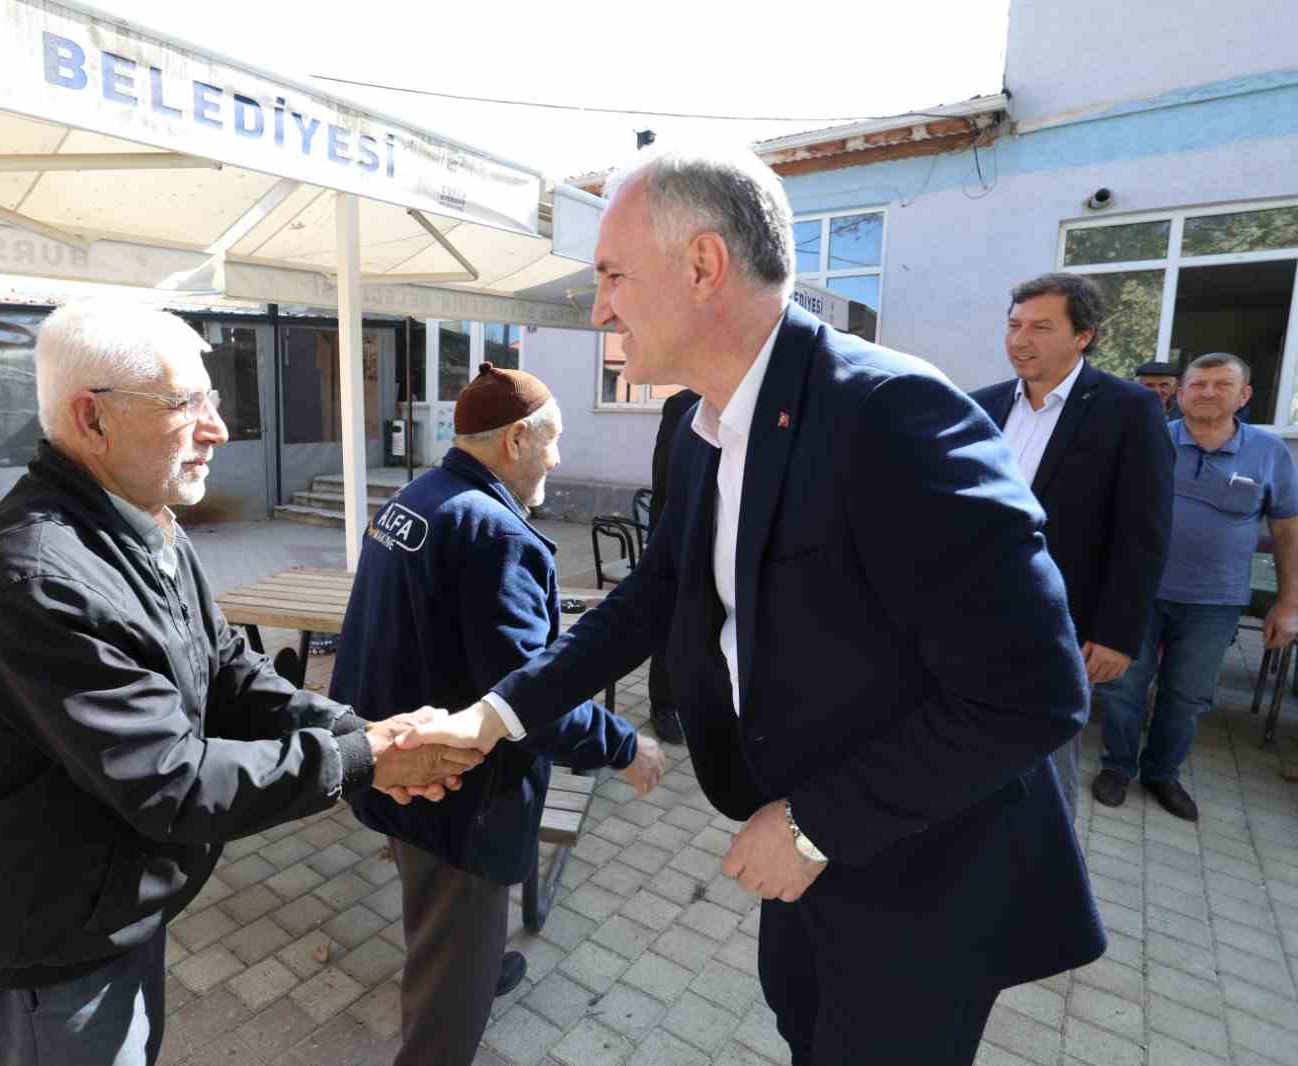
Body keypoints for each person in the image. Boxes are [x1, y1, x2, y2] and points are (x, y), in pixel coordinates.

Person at [399, 147, 1105, 1065]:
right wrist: (495, 716)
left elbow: (1035, 695)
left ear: (702, 265)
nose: (599, 305)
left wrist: (818, 825)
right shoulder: (702, 423)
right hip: (802, 847)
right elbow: (657, 593)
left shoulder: (891, 415)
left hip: (925, 873)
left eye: (613, 274)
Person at [0, 302, 481, 1066]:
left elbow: (229, 675)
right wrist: (366, 758)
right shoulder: (40, 579)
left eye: (212, 398)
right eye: (184, 404)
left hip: (111, 904)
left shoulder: (142, 522)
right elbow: (172, 781)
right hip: (48, 935)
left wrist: (355, 730)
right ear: (91, 419)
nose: (216, 428)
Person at [329, 363, 663, 1066]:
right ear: (516, 440)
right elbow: (529, 699)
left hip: (398, 772)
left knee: (438, 909)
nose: (559, 457)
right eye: (554, 441)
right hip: (458, 799)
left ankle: (477, 963)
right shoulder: (494, 534)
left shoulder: (416, 497)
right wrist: (623, 743)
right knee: (452, 967)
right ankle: (457, 996)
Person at [971, 273, 1173, 816]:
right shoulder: (981, 406)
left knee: (1047, 764)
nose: (1019, 340)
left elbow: (1143, 531)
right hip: (972, 617)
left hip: (1062, 623)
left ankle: (1046, 871)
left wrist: (1116, 634)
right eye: (1014, 325)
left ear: (1083, 336)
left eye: (1040, 327)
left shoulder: (1128, 410)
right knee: (968, 749)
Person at [1095, 353, 1298, 819]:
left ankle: (1162, 774)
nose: (1207, 392)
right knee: (1124, 689)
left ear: (1243, 396)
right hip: (1139, 593)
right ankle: (1117, 767)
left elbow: (1287, 528)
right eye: (1198, 384)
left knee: (1187, 697)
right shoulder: (1150, 441)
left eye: (1221, 384)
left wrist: (1289, 603)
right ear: (1179, 393)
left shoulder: (1269, 453)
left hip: (1215, 600)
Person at [645, 388, 701, 745]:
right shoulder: (682, 405)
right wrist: (659, 543)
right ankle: (663, 704)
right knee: (670, 621)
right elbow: (663, 481)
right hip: (679, 534)